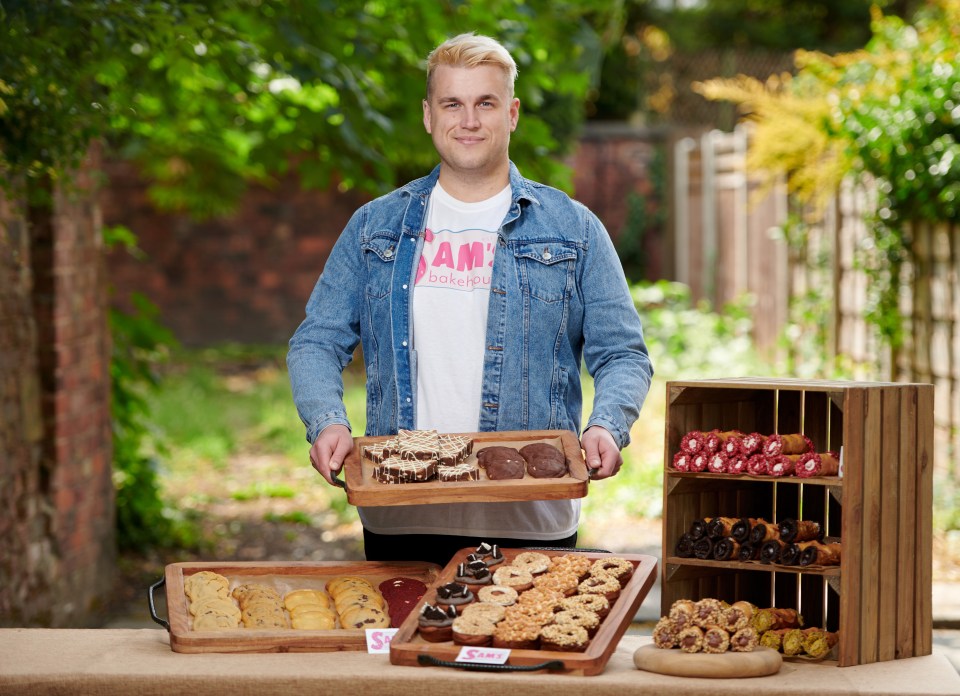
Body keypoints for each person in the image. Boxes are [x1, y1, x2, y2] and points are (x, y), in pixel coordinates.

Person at [287, 33, 653, 567]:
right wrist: (327, 421)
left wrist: (606, 425)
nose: (469, 120)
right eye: (452, 104)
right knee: (409, 652)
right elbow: (316, 342)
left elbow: (622, 353)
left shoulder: (573, 229)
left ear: (512, 113)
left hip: (532, 519)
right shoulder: (374, 227)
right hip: (400, 516)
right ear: (428, 115)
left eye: (485, 103)